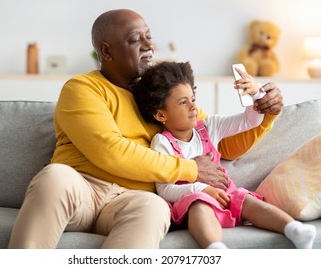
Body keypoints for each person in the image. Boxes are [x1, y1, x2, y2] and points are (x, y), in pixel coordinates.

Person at [8, 9, 285, 249]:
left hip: (135, 199)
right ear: (105, 51)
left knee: (154, 208)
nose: (148, 45)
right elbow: (111, 152)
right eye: (134, 40)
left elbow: (223, 145)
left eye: (148, 36)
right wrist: (190, 169)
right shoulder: (83, 88)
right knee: (55, 176)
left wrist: (264, 113)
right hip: (83, 189)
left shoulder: (162, 95)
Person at [131, 61, 316, 249]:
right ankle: (215, 248)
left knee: (247, 201)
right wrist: (200, 190)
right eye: (183, 102)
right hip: (192, 201)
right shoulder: (161, 143)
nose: (193, 107)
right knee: (199, 206)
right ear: (161, 115)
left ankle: (294, 230)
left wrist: (255, 93)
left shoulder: (210, 126)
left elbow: (249, 121)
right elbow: (164, 189)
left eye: (193, 99)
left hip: (225, 195)